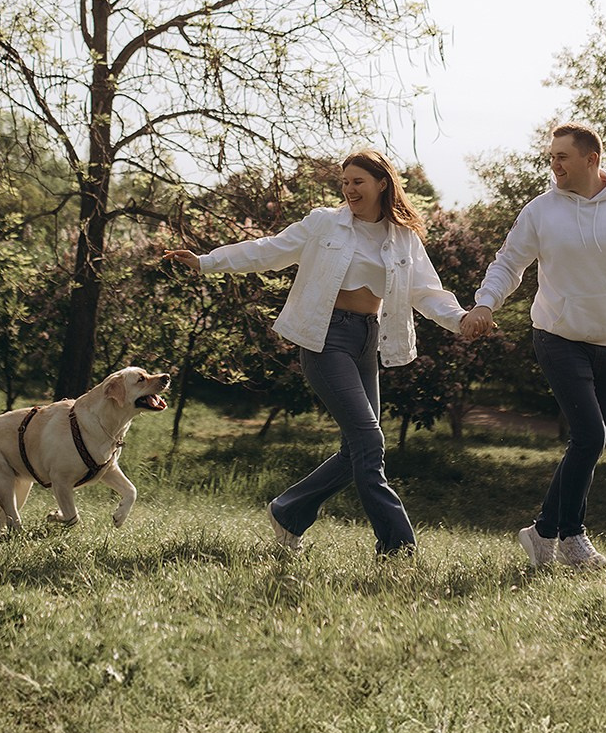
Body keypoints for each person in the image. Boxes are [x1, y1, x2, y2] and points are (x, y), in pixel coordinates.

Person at [159, 150, 470, 556]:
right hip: (326, 338)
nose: (349, 189)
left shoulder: (403, 237)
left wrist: (461, 320)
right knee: (369, 442)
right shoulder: (326, 222)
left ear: (381, 183)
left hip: (366, 340)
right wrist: (206, 261)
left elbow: (425, 292)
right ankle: (398, 549)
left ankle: (288, 512)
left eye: (358, 181)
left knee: (356, 449)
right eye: (344, 182)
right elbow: (268, 250)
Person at [457, 123, 606, 570]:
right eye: (551, 157)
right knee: (590, 435)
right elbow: (509, 263)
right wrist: (484, 303)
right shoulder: (541, 211)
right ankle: (571, 536)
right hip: (557, 336)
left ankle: (542, 534)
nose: (553, 164)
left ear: (591, 159)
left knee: (591, 443)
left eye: (562, 157)